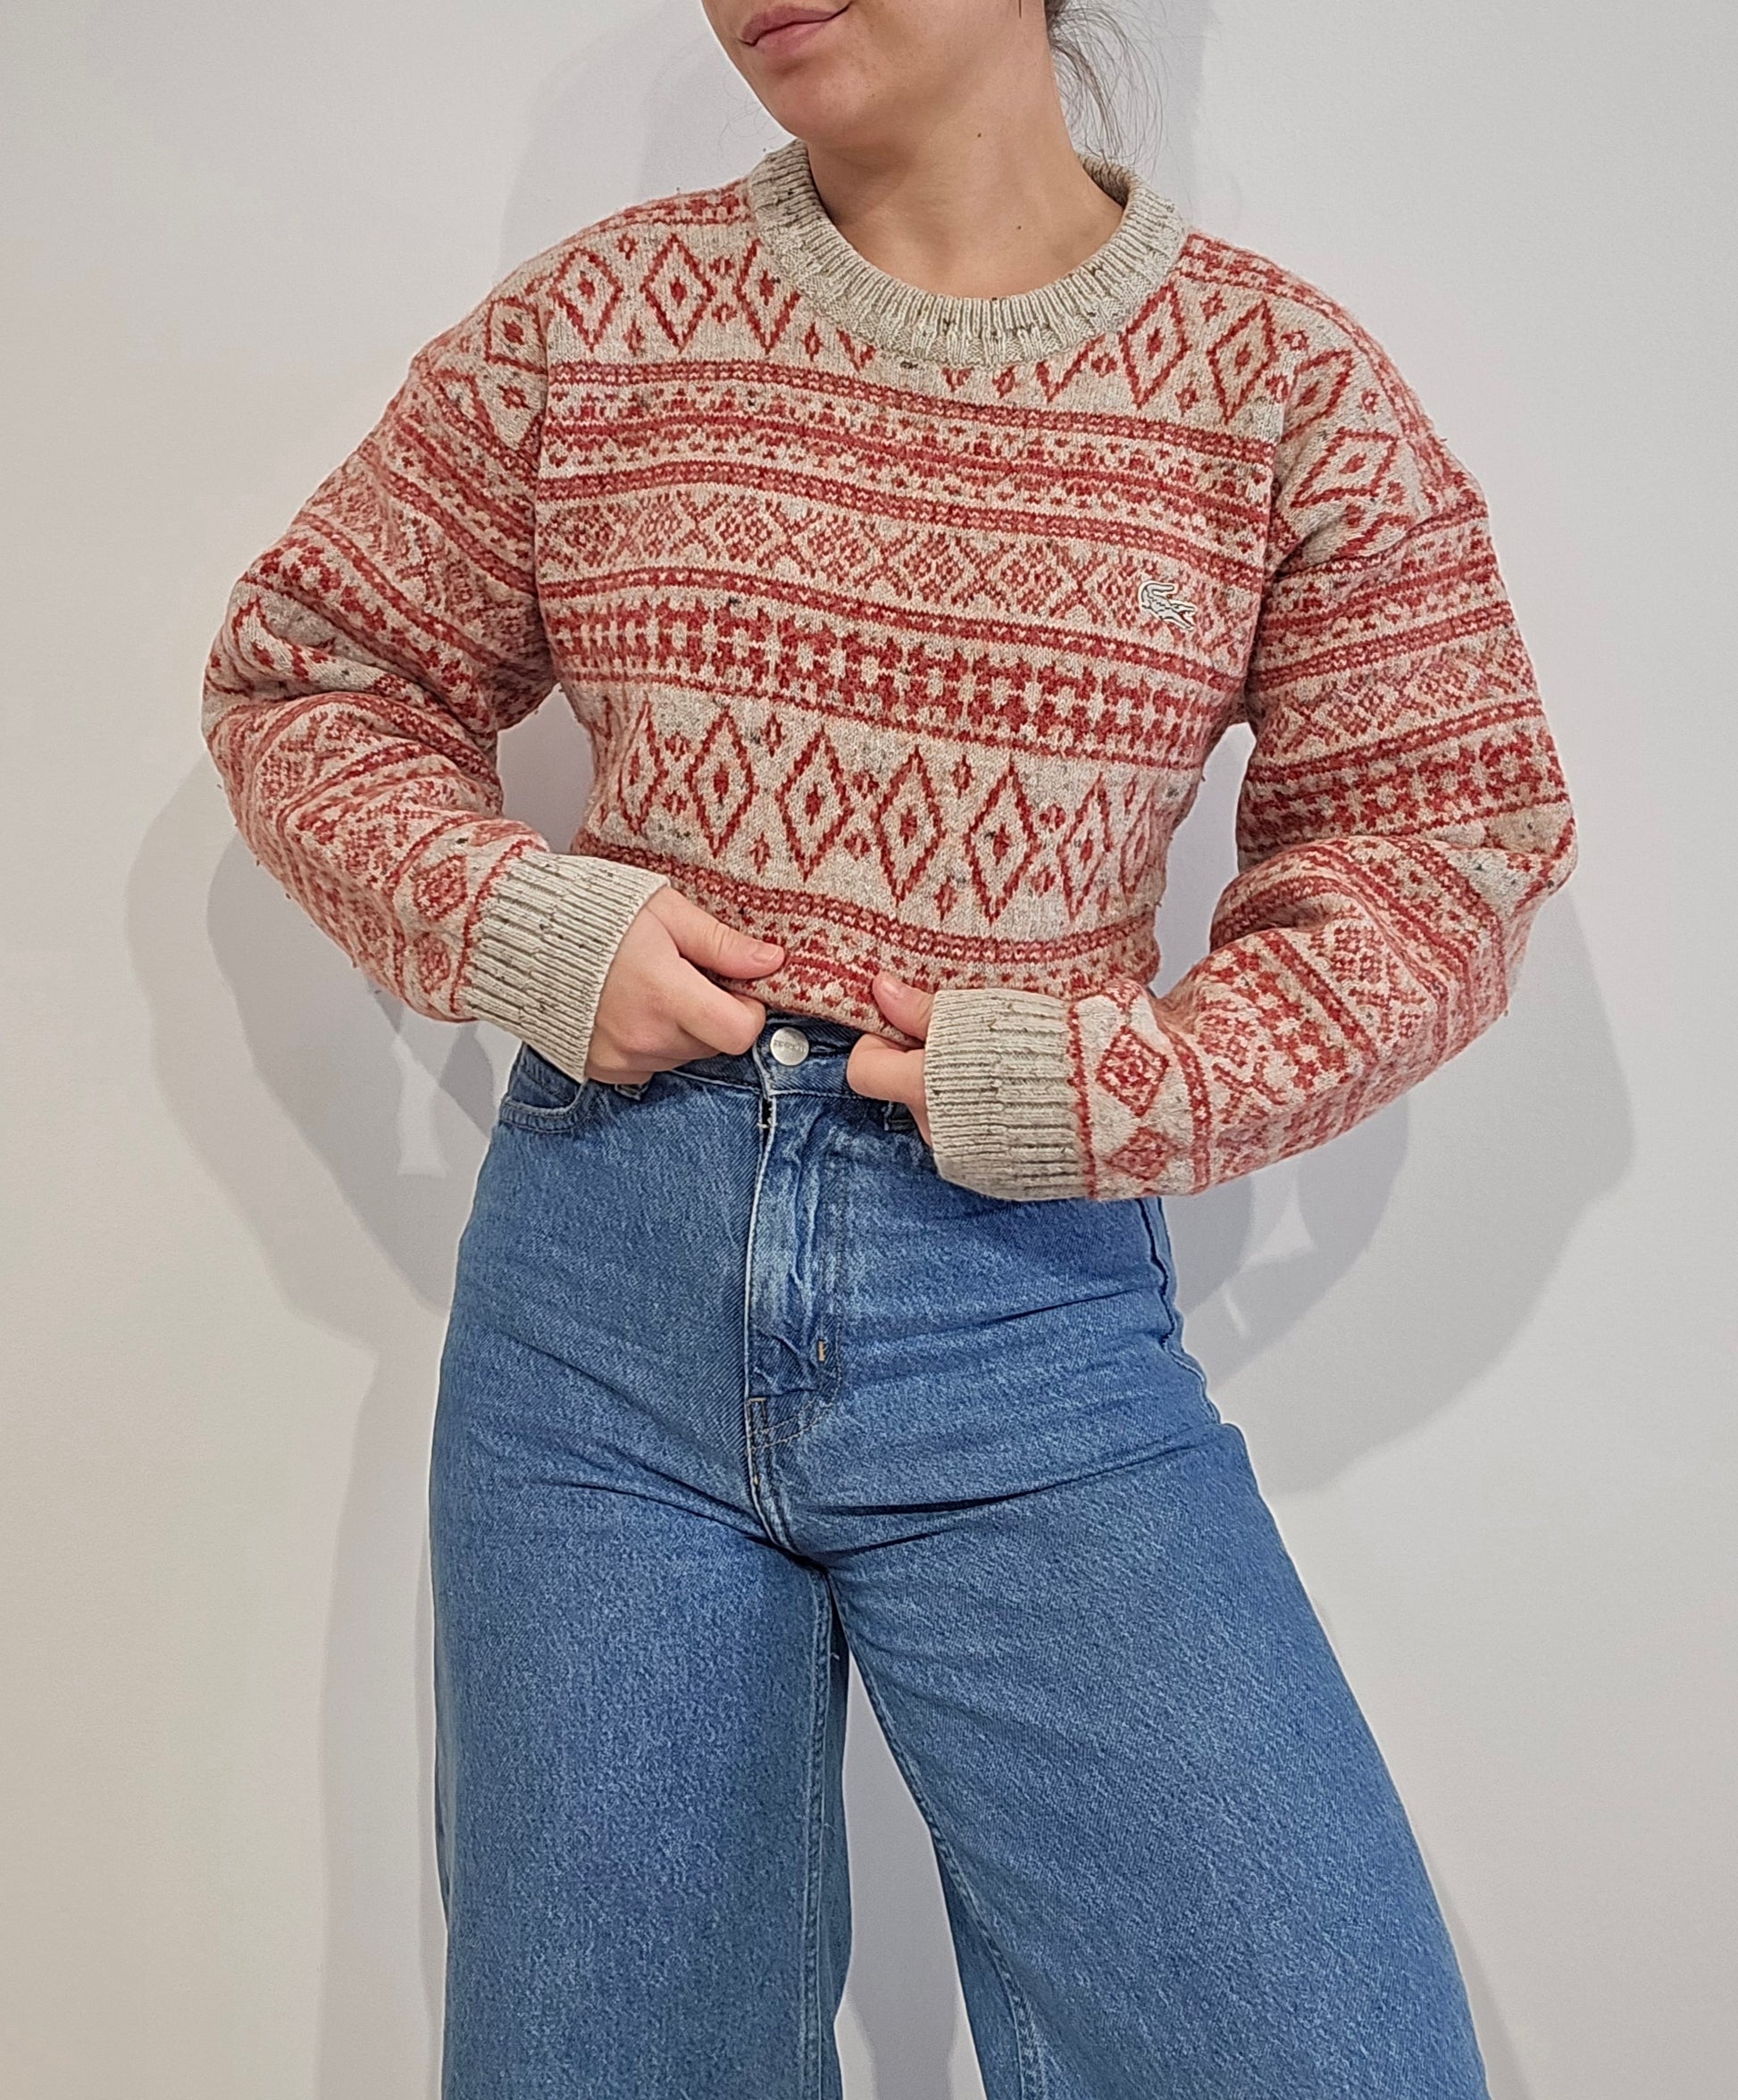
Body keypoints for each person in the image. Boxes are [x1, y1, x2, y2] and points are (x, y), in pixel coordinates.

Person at [200, 2, 1575, 2092]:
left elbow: (1448, 837)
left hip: (1023, 1322)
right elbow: (312, 680)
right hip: (597, 1310)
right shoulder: (599, 323)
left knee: (1314, 2046)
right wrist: (530, 925)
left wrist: (1148, 1084)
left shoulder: (1276, 382)